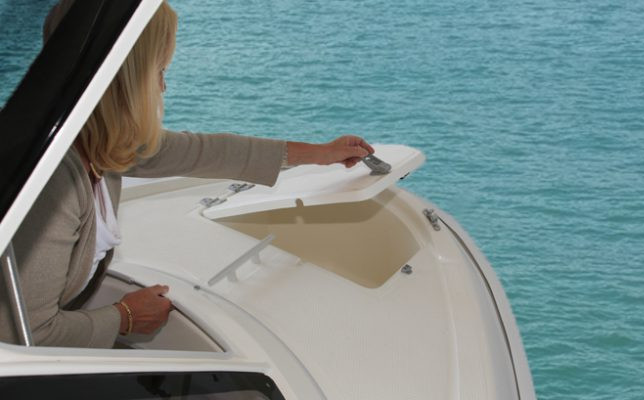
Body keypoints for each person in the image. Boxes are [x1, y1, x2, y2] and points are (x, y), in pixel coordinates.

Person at [0, 0, 374, 348]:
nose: (163, 86)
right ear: (125, 82)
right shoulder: (53, 184)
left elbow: (199, 151)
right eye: (160, 71)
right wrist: (125, 317)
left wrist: (318, 153)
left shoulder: (90, 138)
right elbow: (23, 338)